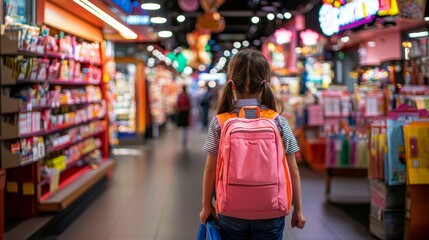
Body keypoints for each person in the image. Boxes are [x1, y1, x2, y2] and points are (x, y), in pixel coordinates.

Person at [199, 49, 306, 239]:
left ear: (231, 85)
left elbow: (210, 168)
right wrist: (298, 209)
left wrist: (207, 205)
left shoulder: (220, 122)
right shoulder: (278, 121)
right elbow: (293, 169)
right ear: (265, 84)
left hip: (231, 210)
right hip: (271, 209)